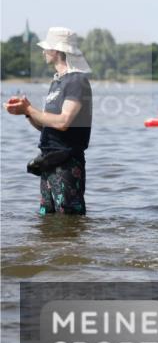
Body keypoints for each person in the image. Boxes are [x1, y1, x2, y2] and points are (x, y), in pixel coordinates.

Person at [4, 27, 92, 215]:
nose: (43, 51)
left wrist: (30, 109)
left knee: (69, 220)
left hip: (67, 162)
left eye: (46, 48)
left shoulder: (76, 80)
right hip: (48, 161)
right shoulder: (57, 82)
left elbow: (63, 122)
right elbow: (47, 126)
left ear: (57, 50)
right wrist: (27, 112)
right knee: (48, 220)